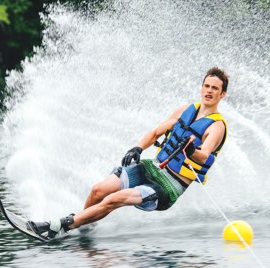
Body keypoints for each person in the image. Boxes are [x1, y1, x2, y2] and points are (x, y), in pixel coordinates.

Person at [29, 67, 229, 239]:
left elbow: (203, 156)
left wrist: (192, 149)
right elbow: (155, 133)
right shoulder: (186, 109)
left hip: (170, 186)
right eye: (207, 86)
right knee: (99, 190)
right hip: (152, 168)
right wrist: (138, 148)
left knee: (113, 200)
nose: (209, 91)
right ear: (202, 87)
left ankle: (59, 226)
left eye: (215, 88)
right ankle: (85, 226)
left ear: (222, 94)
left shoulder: (217, 126)